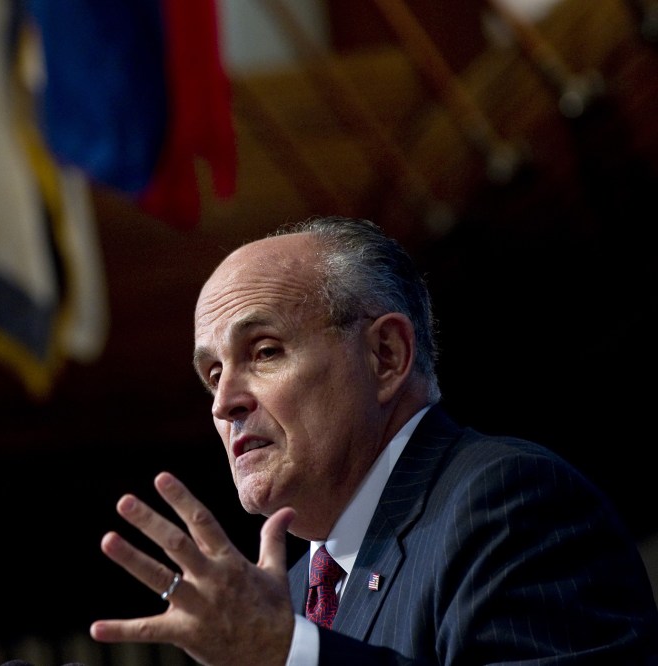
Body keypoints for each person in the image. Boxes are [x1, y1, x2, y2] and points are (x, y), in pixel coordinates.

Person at [88, 215, 658, 665]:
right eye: (213, 374)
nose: (223, 401)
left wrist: (290, 655)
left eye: (264, 352)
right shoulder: (283, 600)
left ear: (385, 356)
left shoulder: (511, 505)